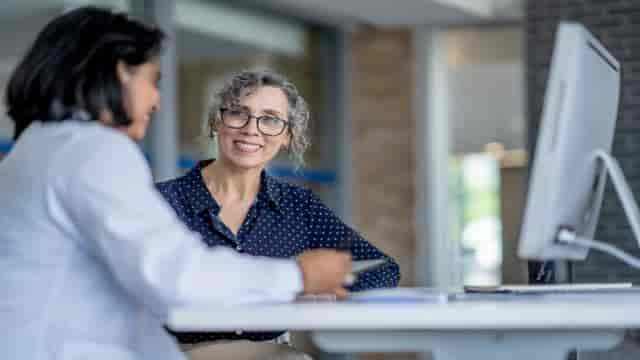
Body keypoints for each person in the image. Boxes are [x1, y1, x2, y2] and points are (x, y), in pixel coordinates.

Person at [0, 7, 352, 360]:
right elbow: (177, 278)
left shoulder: (34, 150)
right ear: (122, 72)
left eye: (271, 121)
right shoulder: (95, 151)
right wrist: (297, 275)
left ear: (289, 137)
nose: (157, 101)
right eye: (153, 81)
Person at [155, 70, 401, 356]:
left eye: (270, 119)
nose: (251, 129)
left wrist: (324, 291)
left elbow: (383, 267)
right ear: (216, 122)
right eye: (238, 114)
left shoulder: (299, 206)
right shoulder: (161, 202)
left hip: (270, 352)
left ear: (287, 136)